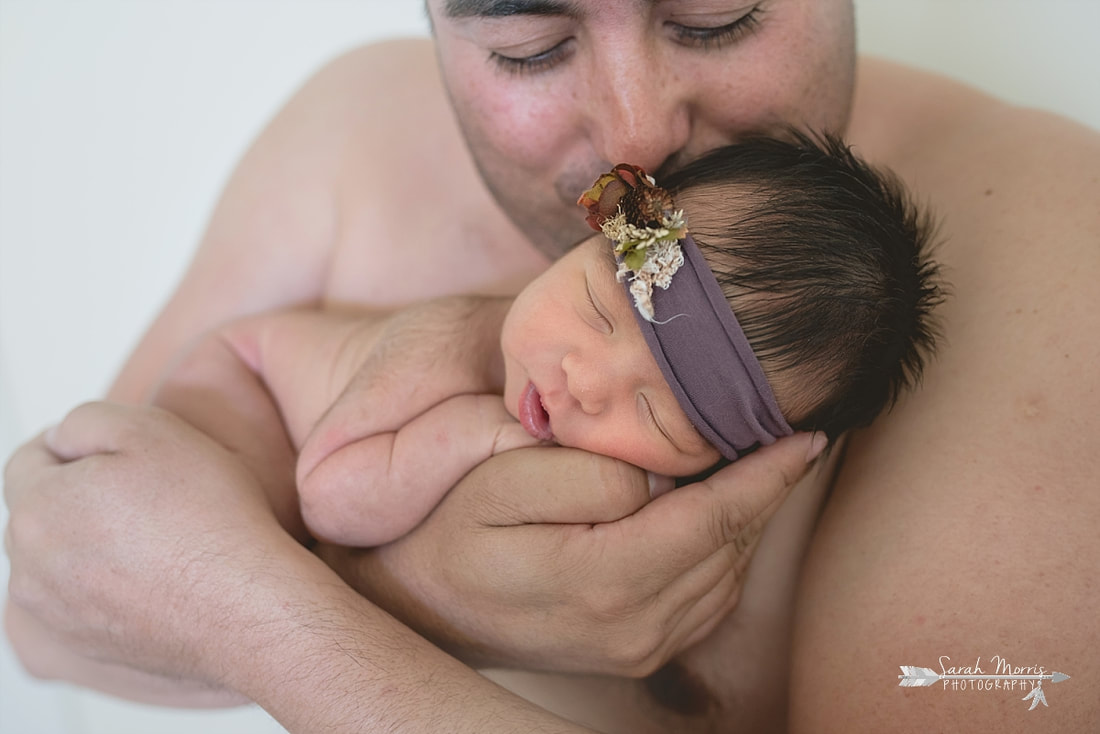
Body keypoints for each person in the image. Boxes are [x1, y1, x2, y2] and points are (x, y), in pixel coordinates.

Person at [4, 1, 1098, 732]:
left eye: (715, 11)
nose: (636, 134)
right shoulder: (346, 136)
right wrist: (416, 600)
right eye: (526, 39)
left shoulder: (1041, 244)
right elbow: (49, 611)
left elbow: (146, 572)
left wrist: (239, 606)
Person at [147, 134, 942, 548]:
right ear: (575, 246)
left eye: (658, 415)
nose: (583, 381)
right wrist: (477, 443)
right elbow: (325, 499)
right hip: (236, 387)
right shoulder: (443, 349)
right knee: (213, 510)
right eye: (599, 308)